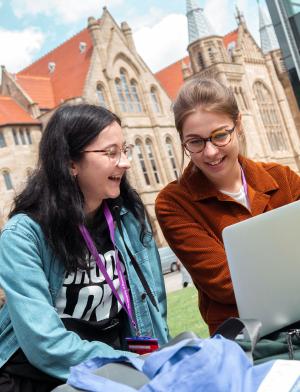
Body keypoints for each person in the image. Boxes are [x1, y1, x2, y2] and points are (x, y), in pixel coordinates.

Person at [0, 104, 169, 391]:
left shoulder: (128, 219)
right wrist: (129, 362)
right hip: (35, 378)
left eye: (125, 150)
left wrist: (164, 365)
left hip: (110, 368)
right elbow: (45, 345)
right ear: (70, 163)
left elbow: (154, 308)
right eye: (111, 153)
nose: (125, 162)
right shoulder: (23, 236)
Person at [155, 77, 300, 336]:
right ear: (182, 140)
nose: (210, 152)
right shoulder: (174, 203)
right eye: (195, 142)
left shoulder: (282, 178)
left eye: (220, 135)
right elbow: (226, 283)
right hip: (247, 341)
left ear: (239, 125)